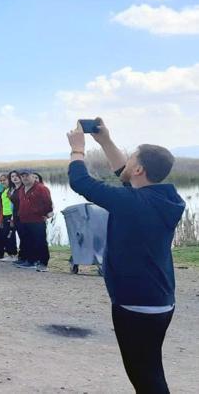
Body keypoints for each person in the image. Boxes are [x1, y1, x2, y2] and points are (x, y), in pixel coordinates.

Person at [67, 119, 183, 393]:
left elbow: (80, 181)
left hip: (136, 304)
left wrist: (78, 150)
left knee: (145, 378)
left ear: (140, 169)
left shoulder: (132, 203)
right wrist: (105, 141)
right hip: (159, 300)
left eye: (131, 159)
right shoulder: (165, 199)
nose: (126, 163)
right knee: (149, 371)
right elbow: (124, 173)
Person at [12, 169, 53, 272]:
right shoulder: (22, 189)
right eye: (22, 176)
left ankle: (43, 263)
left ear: (32, 176)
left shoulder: (41, 188)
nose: (24, 178)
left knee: (40, 242)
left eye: (27, 176)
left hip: (37, 220)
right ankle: (31, 261)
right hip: (24, 220)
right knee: (27, 241)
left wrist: (46, 214)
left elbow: (48, 203)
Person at [0, 172, 20, 261]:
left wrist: (12, 217)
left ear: (9, 180)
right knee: (5, 235)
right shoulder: (3, 191)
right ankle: (10, 254)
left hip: (11, 215)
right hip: (5, 215)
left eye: (4, 180)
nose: (3, 182)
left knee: (10, 235)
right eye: (1, 181)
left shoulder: (12, 190)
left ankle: (13, 254)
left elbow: (14, 204)